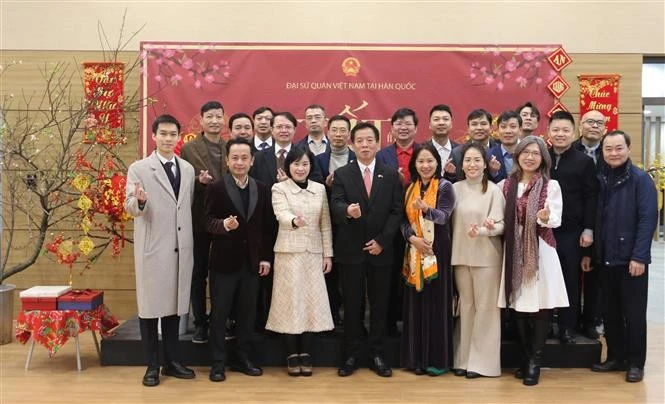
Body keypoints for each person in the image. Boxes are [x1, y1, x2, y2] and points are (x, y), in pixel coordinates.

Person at [125, 114, 196, 387]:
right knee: (150, 309)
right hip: (154, 248)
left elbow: (185, 206)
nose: (168, 139)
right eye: (163, 134)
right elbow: (129, 207)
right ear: (153, 136)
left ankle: (173, 362)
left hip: (181, 248)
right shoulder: (140, 168)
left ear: (179, 137)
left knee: (173, 308)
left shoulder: (187, 169)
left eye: (173, 134)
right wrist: (140, 202)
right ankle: (152, 365)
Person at [332, 122, 403, 378]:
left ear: (378, 143)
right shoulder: (342, 174)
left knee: (380, 305)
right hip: (350, 251)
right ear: (352, 144)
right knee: (352, 305)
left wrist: (382, 241)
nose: (364, 145)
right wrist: (345, 211)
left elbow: (397, 211)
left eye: (369, 140)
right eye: (359, 141)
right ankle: (351, 354)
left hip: (381, 251)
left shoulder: (391, 174)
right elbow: (335, 204)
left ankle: (377, 354)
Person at [497, 135, 568, 386]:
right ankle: (526, 357)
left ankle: (534, 363)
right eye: (525, 152)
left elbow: (555, 219)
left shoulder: (552, 186)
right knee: (518, 307)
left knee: (540, 308)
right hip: (514, 251)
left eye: (535, 153)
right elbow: (500, 220)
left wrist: (544, 216)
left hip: (541, 252)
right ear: (517, 156)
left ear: (543, 159)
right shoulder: (505, 185)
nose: (530, 157)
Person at [204, 138, 274, 382]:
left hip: (252, 263)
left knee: (247, 314)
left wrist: (265, 258)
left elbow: (266, 228)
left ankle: (243, 358)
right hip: (224, 263)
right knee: (220, 314)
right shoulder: (216, 188)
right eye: (235, 157)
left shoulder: (262, 188)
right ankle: (217, 362)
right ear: (226, 160)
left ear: (252, 160)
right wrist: (223, 225)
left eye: (245, 158)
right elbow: (206, 222)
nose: (240, 162)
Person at [590, 130, 657, 383]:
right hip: (605, 258)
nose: (614, 153)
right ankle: (616, 357)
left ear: (628, 149)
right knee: (610, 312)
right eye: (609, 149)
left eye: (619, 148)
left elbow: (648, 219)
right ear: (603, 151)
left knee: (634, 314)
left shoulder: (640, 180)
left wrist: (639, 256)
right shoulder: (600, 177)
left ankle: (635, 363)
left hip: (631, 261)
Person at [266, 147, 334, 376]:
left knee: (310, 304)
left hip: (314, 254)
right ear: (288, 167)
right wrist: (294, 220)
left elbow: (325, 223)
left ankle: (306, 353)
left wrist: (328, 254)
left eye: (304, 164)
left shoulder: (320, 189)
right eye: (295, 164)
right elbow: (280, 213)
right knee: (290, 304)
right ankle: (291, 354)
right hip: (288, 254)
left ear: (310, 166)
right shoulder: (279, 188)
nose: (300, 168)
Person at [400, 143, 455, 376]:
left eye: (430, 161)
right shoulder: (409, 187)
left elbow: (444, 216)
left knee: (437, 304)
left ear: (437, 164)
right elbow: (402, 221)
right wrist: (412, 239)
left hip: (437, 250)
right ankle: (416, 359)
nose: (425, 165)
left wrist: (426, 210)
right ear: (415, 164)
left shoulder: (445, 186)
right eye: (421, 161)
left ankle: (437, 360)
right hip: (415, 250)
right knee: (416, 304)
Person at [451, 142, 505, 379]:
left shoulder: (494, 190)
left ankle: (483, 364)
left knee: (486, 310)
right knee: (466, 308)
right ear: (461, 164)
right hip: (461, 256)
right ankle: (462, 359)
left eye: (477, 160)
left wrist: (485, 230)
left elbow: (501, 225)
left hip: (487, 257)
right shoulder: (453, 188)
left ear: (486, 164)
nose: (472, 165)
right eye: (468, 160)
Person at [547, 110, 598, 344]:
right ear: (548, 132)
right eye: (555, 129)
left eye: (565, 130)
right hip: (544, 231)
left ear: (574, 132)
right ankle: (545, 325)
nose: (560, 134)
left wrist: (588, 229)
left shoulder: (584, 162)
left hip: (571, 232)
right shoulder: (541, 158)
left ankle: (567, 328)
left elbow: (591, 198)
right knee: (545, 278)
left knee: (570, 279)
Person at [179, 101, 227, 344]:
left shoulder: (232, 147)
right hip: (198, 219)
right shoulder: (188, 149)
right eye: (210, 116)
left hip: (227, 221)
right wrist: (199, 181)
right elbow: (182, 185)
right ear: (201, 119)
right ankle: (200, 324)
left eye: (219, 116)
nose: (215, 121)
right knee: (198, 273)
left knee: (222, 273)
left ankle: (221, 320)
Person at [315, 114, 356, 326]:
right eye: (334, 130)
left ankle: (350, 317)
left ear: (349, 134)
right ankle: (331, 314)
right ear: (327, 132)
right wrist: (326, 184)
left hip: (351, 224)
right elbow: (311, 188)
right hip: (325, 223)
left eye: (343, 131)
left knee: (349, 273)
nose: (338, 134)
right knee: (328, 272)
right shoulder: (319, 160)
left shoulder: (357, 158)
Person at [575, 110, 608, 339]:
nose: (594, 126)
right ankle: (571, 320)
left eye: (599, 123)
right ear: (580, 126)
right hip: (573, 224)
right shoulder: (570, 151)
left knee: (596, 277)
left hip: (602, 224)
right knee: (571, 276)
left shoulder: (611, 152)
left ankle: (592, 320)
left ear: (604, 128)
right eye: (589, 122)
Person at [445, 109, 500, 182]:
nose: (479, 128)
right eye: (474, 124)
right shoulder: (457, 153)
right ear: (468, 128)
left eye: (483, 124)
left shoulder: (499, 150)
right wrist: (450, 175)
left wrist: (494, 172)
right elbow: (450, 184)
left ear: (491, 127)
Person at [489, 111, 522, 183]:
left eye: (513, 126)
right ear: (497, 131)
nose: (508, 131)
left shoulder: (529, 154)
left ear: (520, 130)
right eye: (503, 127)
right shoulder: (489, 155)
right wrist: (493, 172)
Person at [426, 104, 459, 175]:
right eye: (436, 119)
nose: (441, 123)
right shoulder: (421, 150)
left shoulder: (460, 150)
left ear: (451, 124)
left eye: (445, 119)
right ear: (429, 125)